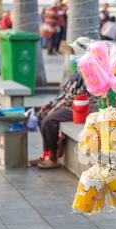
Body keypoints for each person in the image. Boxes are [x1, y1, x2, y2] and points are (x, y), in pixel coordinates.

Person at [30, 37, 99, 169]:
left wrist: (55, 108)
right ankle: (47, 154)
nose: (72, 55)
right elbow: (66, 92)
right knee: (41, 114)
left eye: (74, 51)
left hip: (82, 108)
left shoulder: (90, 70)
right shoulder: (80, 68)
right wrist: (51, 104)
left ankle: (53, 158)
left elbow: (75, 96)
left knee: (49, 120)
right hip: (70, 104)